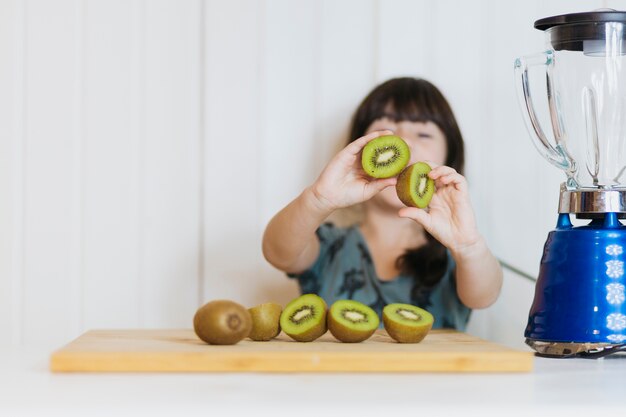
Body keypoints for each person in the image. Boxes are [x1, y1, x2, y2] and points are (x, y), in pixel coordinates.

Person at [262, 77, 502, 330]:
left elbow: (485, 296)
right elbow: (276, 252)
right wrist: (318, 199)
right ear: (358, 153)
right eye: (386, 130)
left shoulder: (455, 255)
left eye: (423, 133)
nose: (405, 141)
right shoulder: (328, 246)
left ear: (449, 156)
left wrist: (468, 246)